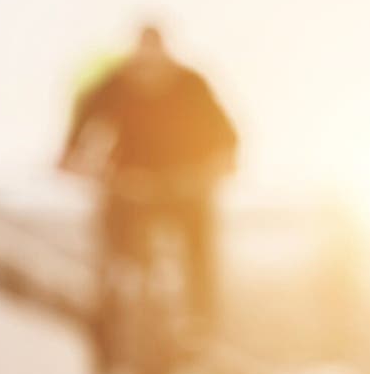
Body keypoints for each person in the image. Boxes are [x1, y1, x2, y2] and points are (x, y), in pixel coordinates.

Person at [60, 25, 239, 337]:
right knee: (112, 247)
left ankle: (200, 320)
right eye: (143, 64)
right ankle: (105, 309)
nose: (148, 73)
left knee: (198, 242)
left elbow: (226, 137)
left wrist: (215, 167)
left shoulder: (192, 85)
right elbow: (80, 128)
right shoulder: (114, 84)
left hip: (182, 186)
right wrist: (71, 155)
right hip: (127, 183)